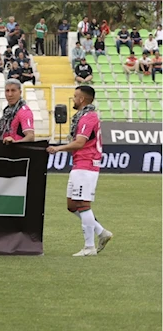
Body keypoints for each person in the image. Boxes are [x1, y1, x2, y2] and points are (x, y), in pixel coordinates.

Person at [46, 86, 112, 257]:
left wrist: (58, 148)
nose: (73, 99)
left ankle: (89, 247)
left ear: (82, 99)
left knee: (83, 205)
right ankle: (101, 232)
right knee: (72, 205)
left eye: (75, 96)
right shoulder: (82, 117)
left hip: (86, 164)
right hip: (79, 164)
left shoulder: (88, 117)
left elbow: (80, 143)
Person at [0, 79, 35, 144]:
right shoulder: (6, 111)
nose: (10, 94)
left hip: (19, 152)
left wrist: (15, 143)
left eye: (13, 90)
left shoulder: (24, 111)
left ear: (20, 92)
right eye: (7, 91)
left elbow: (31, 136)